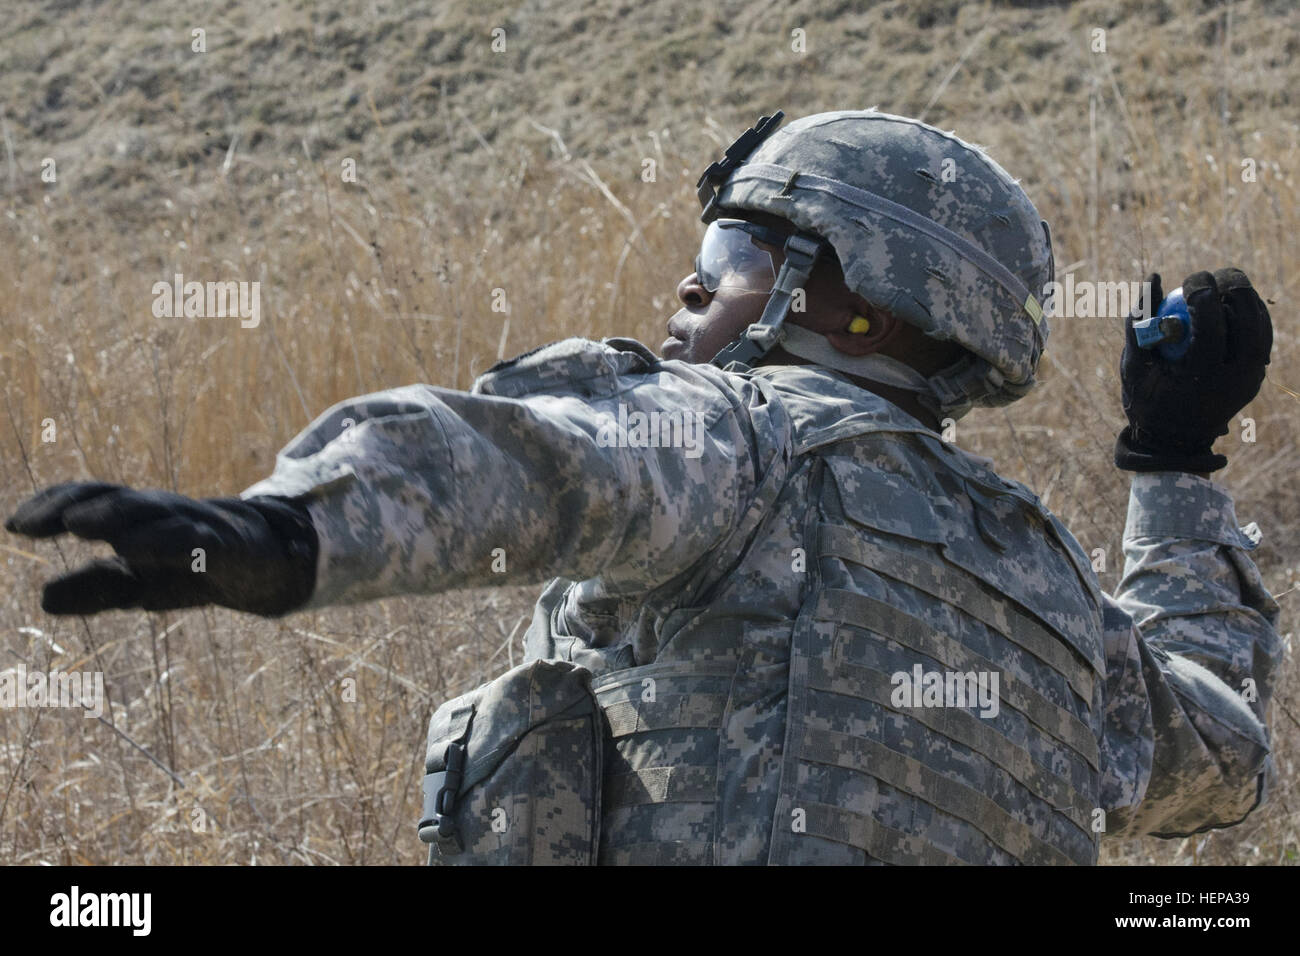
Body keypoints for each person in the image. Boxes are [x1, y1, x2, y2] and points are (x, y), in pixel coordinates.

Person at [6, 110, 1279, 865]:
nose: (685, 285)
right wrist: (1170, 468)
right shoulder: (1047, 583)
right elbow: (1220, 755)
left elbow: (534, 465)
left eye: (734, 250)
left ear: (862, 303)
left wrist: (289, 528)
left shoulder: (746, 436)